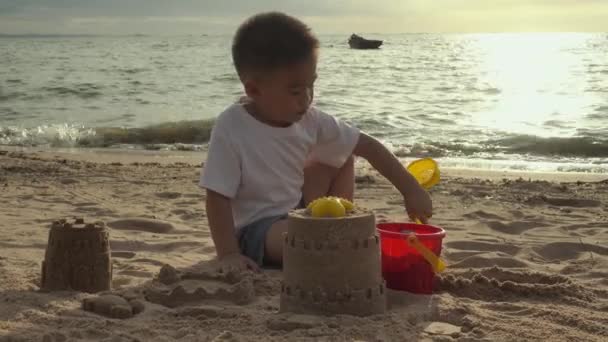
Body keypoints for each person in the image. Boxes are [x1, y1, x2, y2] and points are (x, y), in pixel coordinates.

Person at [199, 12, 432, 272]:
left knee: (343, 152)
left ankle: (338, 222)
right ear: (254, 90)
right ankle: (332, 235)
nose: (307, 98)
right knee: (307, 238)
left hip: (298, 210)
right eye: (295, 91)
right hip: (257, 230)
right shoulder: (232, 126)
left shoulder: (310, 119)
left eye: (312, 85)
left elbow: (369, 146)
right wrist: (228, 254)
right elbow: (217, 196)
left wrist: (411, 190)